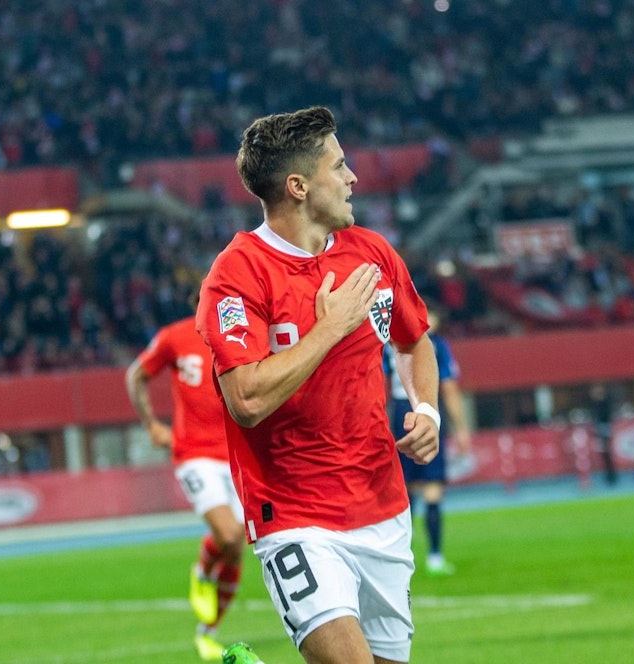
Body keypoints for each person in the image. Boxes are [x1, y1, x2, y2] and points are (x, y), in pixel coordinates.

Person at [196, 106, 439, 664]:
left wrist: (427, 409)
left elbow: (413, 341)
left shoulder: (372, 253)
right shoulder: (237, 275)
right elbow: (248, 400)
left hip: (383, 508)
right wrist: (330, 328)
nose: (353, 178)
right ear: (299, 186)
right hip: (296, 516)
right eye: (340, 165)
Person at [125, 316, 259, 663]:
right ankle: (202, 572)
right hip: (195, 453)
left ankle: (208, 631)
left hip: (236, 453)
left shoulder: (243, 336)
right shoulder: (175, 337)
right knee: (228, 535)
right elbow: (136, 375)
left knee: (237, 546)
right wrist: (151, 424)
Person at [383, 305, 471, 576]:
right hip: (427, 411)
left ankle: (401, 559)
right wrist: (461, 426)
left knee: (404, 491)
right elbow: (449, 386)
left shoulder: (386, 342)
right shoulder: (436, 345)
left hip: (399, 412)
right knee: (430, 487)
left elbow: (380, 384)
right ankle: (434, 556)